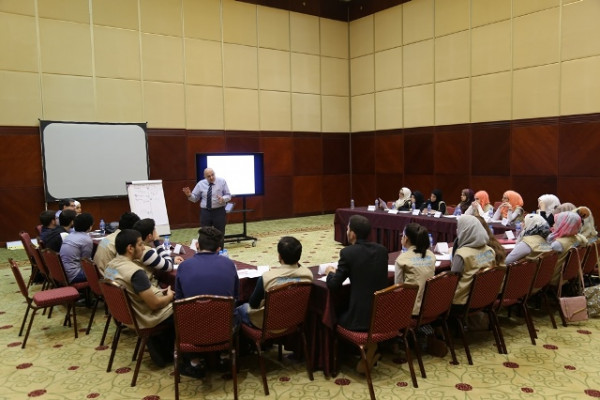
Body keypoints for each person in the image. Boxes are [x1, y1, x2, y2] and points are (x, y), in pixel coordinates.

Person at [325, 215, 388, 373]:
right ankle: (371, 347)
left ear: (352, 234)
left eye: (347, 229)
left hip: (359, 321)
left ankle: (341, 358)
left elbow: (333, 285)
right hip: (382, 316)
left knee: (331, 316)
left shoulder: (348, 253)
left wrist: (330, 273)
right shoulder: (382, 250)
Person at [174, 226, 240, 378]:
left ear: (197, 245)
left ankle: (195, 362)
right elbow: (235, 297)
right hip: (225, 329)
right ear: (219, 249)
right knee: (237, 312)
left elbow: (179, 302)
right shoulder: (229, 264)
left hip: (192, 331)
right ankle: (225, 356)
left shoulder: (183, 266)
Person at [104, 229, 174, 367]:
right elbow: (155, 305)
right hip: (144, 317)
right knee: (184, 309)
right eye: (141, 244)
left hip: (127, 316)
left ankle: (162, 350)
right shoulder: (136, 272)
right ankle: (184, 357)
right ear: (130, 248)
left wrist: (159, 292)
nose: (144, 248)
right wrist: (170, 297)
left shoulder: (110, 266)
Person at [238, 236, 313, 328]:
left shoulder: (267, 277)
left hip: (268, 324)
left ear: (280, 256)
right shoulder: (308, 274)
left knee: (239, 309)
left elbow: (253, 304)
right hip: (293, 321)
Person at [451, 215, 496, 306]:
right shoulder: (490, 250)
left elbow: (452, 279)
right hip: (484, 297)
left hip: (461, 301)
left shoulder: (462, 254)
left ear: (465, 231)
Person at [394, 223, 435, 316]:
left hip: (411, 309)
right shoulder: (431, 255)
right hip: (430, 306)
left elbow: (397, 289)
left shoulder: (402, 259)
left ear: (406, 238)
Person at [182, 168, 231, 236]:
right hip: (205, 212)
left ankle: (220, 244)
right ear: (204, 177)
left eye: (212, 175)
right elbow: (195, 199)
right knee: (205, 234)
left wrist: (223, 198)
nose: (211, 177)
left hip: (219, 211)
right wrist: (189, 195)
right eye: (208, 176)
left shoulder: (222, 181)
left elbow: (228, 195)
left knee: (219, 234)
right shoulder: (200, 184)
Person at [547, 211, 583, 285]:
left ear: (563, 225)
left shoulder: (558, 244)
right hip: (566, 276)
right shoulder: (579, 239)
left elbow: (544, 262)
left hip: (552, 277)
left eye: (556, 222)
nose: (553, 225)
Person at [60, 212, 94, 283]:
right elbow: (86, 262)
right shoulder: (86, 240)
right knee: (101, 273)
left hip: (62, 272)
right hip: (74, 275)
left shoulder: (70, 235)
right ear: (90, 226)